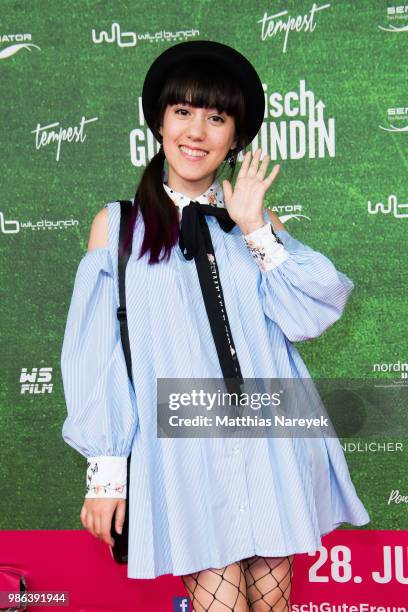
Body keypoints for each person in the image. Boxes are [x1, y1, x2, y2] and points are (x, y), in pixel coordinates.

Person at [61, 40, 370, 611]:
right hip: (185, 449)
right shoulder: (118, 227)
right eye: (183, 112)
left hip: (271, 436)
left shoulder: (257, 220)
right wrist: (105, 474)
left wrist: (254, 227)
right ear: (159, 122)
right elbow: (96, 354)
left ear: (235, 137)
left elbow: (310, 317)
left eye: (216, 117)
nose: (197, 131)